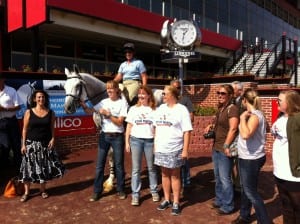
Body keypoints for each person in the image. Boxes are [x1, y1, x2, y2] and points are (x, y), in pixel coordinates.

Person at [231, 88, 272, 224]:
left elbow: (246, 134)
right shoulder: (257, 114)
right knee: (246, 189)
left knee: (251, 192)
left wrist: (242, 118)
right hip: (248, 157)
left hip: (251, 159)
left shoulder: (254, 116)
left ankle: (265, 221)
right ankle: (244, 215)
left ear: (244, 100)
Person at [18, 90, 65, 202]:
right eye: (38, 97)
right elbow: (24, 129)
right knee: (28, 169)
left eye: (43, 97)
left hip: (44, 145)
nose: (41, 99)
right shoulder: (29, 112)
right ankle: (26, 192)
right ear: (34, 99)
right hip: (30, 145)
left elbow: (52, 128)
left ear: (45, 99)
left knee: (43, 168)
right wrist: (23, 144)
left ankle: (43, 190)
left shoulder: (51, 112)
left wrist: (53, 138)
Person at [153, 85, 193, 215]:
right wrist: (155, 145)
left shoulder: (182, 110)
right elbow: (155, 128)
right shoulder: (160, 109)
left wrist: (185, 150)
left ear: (172, 95)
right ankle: (166, 199)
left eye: (165, 94)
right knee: (164, 174)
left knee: (175, 175)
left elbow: (187, 131)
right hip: (161, 148)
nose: (162, 96)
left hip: (175, 148)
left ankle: (176, 201)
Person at [89, 80, 128, 202]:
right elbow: (91, 111)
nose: (109, 91)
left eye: (111, 89)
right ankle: (96, 191)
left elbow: (120, 122)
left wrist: (108, 114)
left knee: (119, 165)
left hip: (117, 136)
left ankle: (121, 189)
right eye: (107, 89)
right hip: (104, 136)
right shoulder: (103, 102)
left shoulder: (122, 103)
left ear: (117, 89)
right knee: (99, 165)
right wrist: (84, 106)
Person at [204, 84, 239, 215]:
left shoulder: (233, 109)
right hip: (216, 147)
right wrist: (210, 125)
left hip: (225, 149)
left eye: (223, 93)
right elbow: (218, 123)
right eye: (218, 93)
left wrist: (226, 145)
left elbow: (233, 128)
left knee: (225, 178)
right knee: (218, 177)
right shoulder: (221, 108)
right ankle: (219, 200)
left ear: (230, 95)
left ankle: (228, 205)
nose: (220, 95)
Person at [125, 85, 160, 206]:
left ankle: (154, 191)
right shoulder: (133, 109)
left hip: (150, 142)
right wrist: (127, 142)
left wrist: (156, 143)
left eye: (143, 94)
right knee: (136, 169)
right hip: (136, 141)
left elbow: (156, 128)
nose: (141, 96)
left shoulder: (154, 110)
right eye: (139, 94)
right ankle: (135, 194)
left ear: (149, 95)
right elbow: (129, 126)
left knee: (152, 168)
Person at [271, 90, 300, 224]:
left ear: (289, 103)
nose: (277, 102)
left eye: (280, 100)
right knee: (286, 207)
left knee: (297, 208)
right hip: (279, 171)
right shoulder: (280, 117)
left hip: (293, 174)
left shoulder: (298, 119)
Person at [170, 79, 194, 191]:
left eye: (179, 87)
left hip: (182, 135)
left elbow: (191, 116)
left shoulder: (185, 100)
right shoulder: (167, 101)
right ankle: (174, 182)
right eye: (175, 87)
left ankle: (186, 181)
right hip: (170, 136)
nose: (177, 89)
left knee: (183, 159)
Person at [0, 78, 22, 168]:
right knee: (4, 146)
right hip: (0, 123)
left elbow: (18, 106)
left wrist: (5, 109)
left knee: (16, 145)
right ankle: (6, 168)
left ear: (3, 80)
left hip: (11, 121)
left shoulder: (11, 90)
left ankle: (19, 168)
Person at [231, 81, 245, 194]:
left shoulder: (244, 102)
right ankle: (233, 183)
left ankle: (239, 185)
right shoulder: (231, 100)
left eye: (233, 89)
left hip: (240, 136)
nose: (231, 91)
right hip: (231, 136)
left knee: (239, 162)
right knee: (230, 161)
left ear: (239, 91)